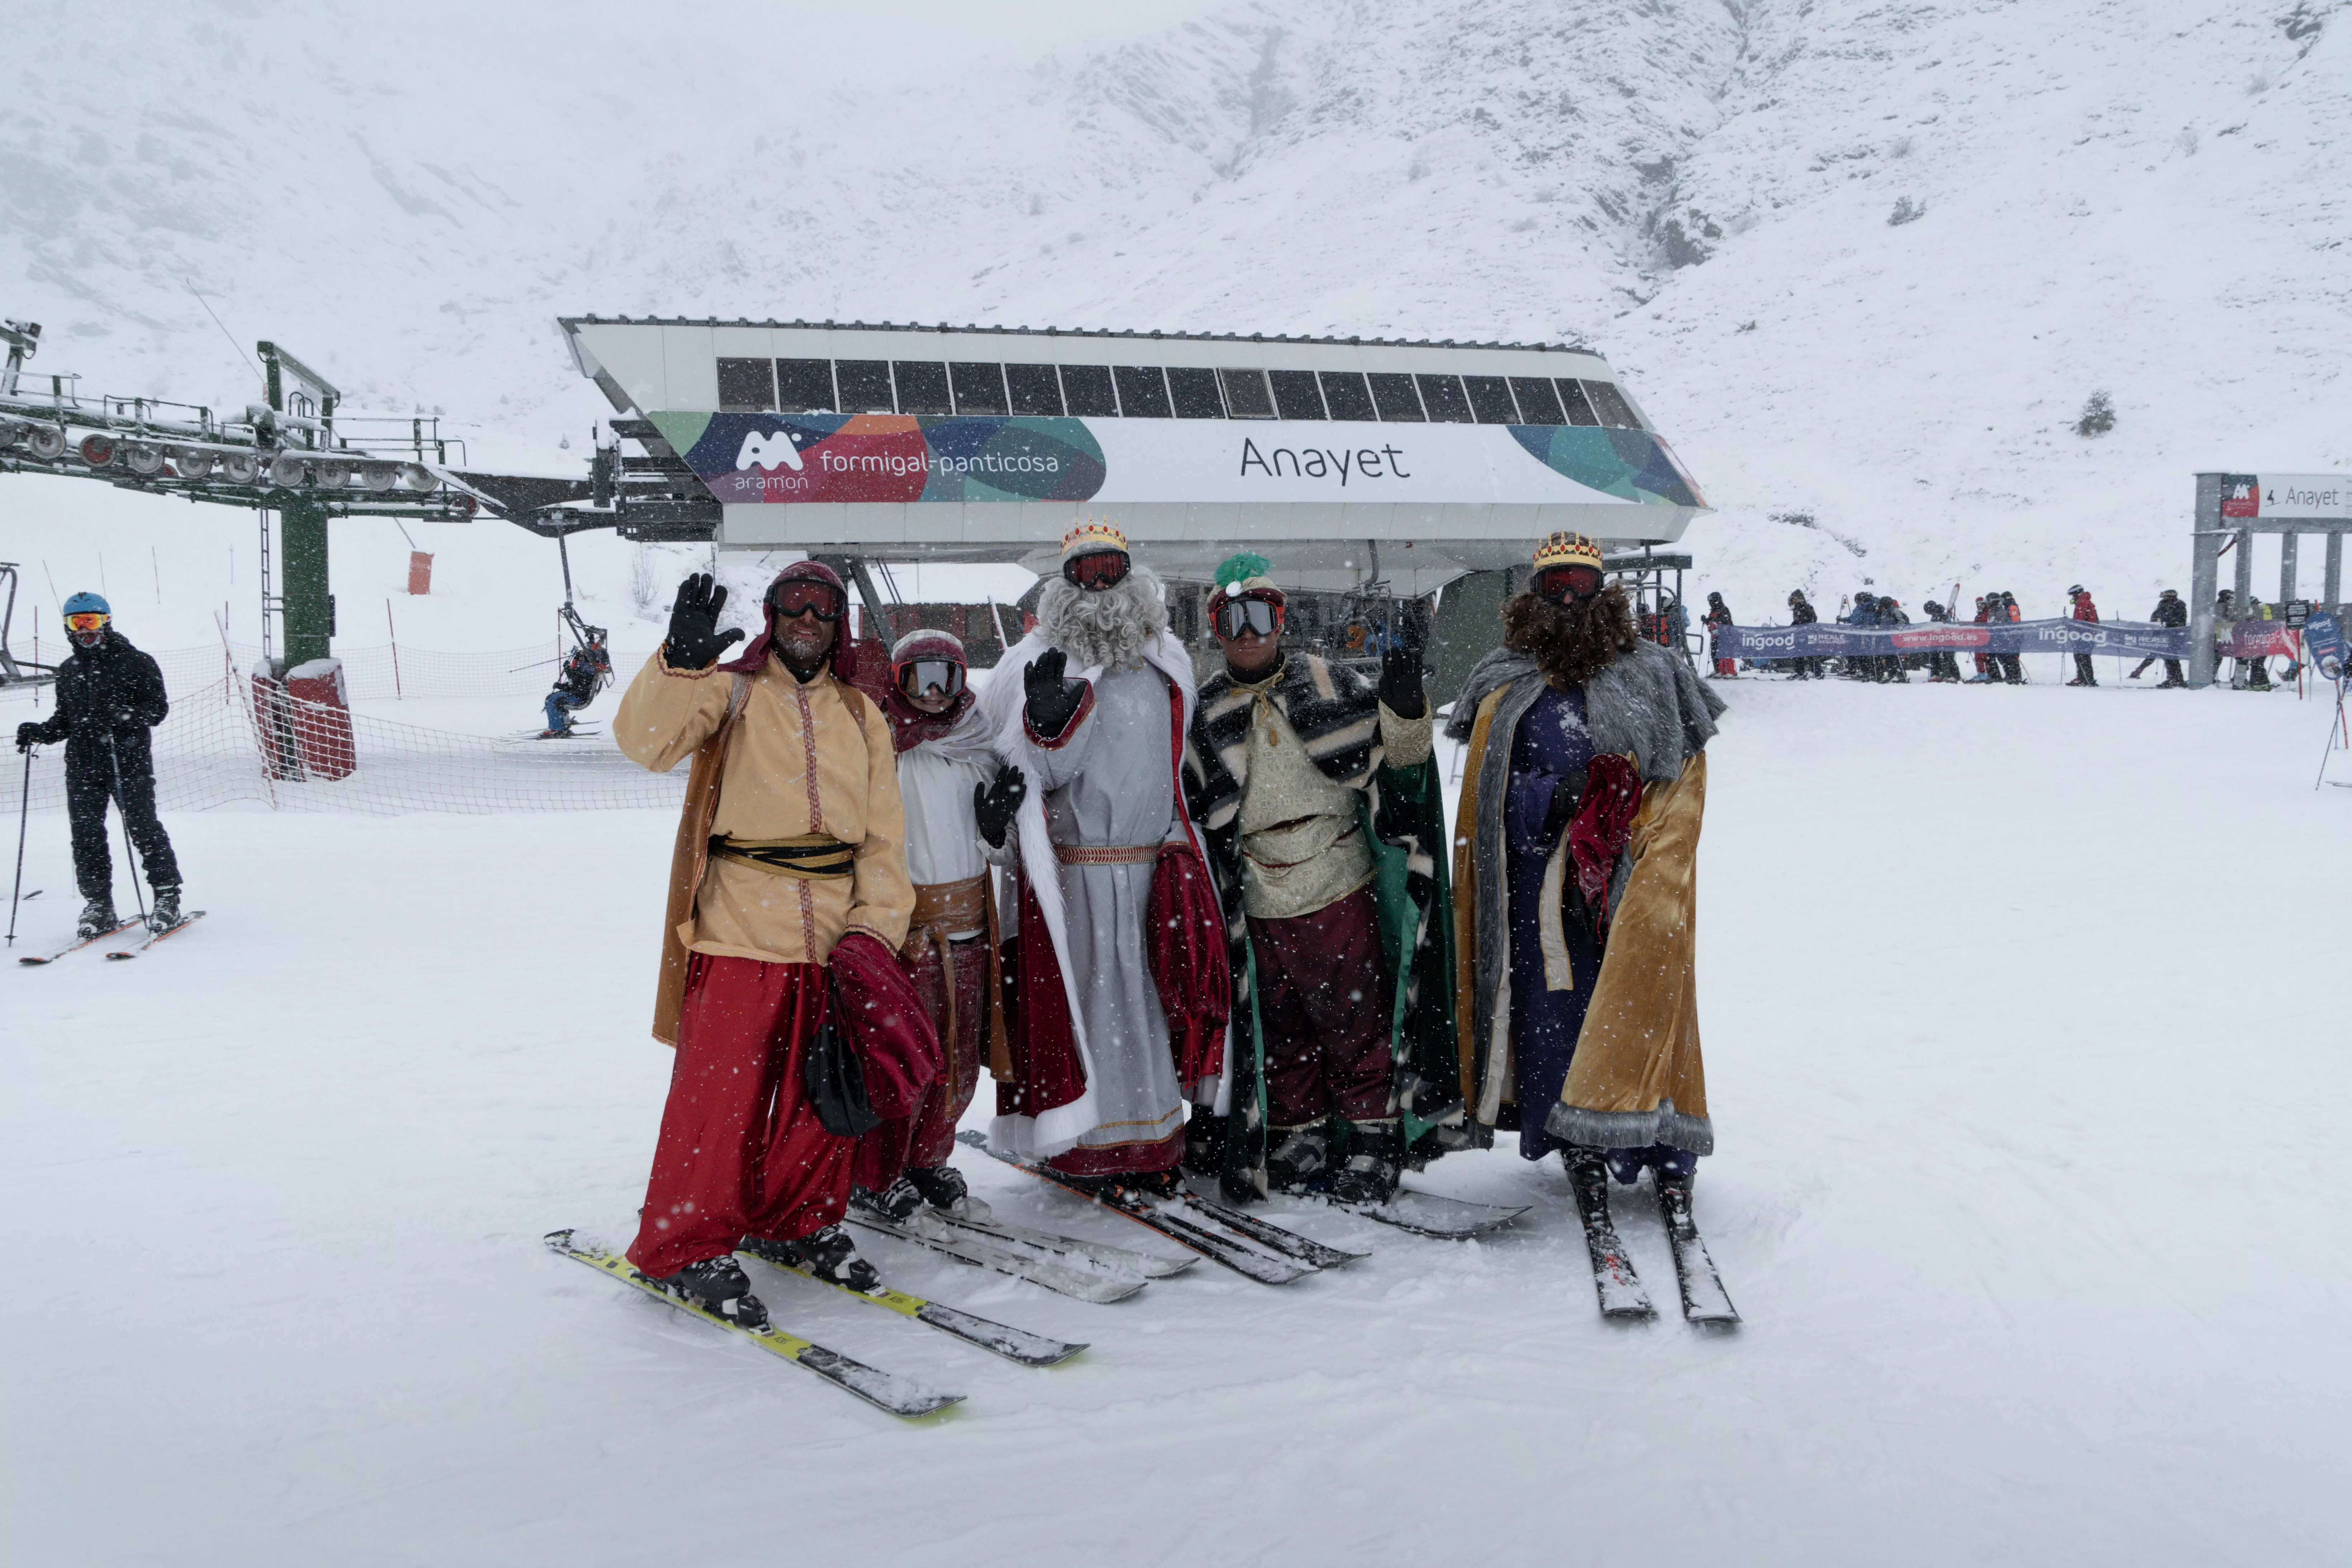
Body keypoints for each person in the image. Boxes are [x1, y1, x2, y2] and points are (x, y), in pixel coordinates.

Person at [608, 564, 930, 1328]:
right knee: (722, 1098)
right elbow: (643, 742)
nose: (807, 620)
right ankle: (686, 1241)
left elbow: (885, 838)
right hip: (738, 923)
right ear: (772, 615)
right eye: (793, 606)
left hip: (833, 929)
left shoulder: (862, 715)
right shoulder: (730, 693)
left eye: (822, 609)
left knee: (820, 1095)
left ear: (839, 622)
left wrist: (874, 929)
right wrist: (679, 664)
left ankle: (797, 1218)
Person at [1446, 535, 1727, 1233]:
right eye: (1553, 585)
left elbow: (1683, 780)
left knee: (1639, 1002)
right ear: (1531, 595)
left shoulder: (1653, 671)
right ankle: (1577, 1136)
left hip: (1632, 882)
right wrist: (1551, 796)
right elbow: (1487, 792)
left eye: (1581, 584)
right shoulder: (1503, 678)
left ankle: (1658, 1141)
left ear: (1606, 592)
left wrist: (1643, 852)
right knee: (1555, 1013)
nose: (1569, 598)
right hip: (1541, 880)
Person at [1180, 554, 1456, 1206]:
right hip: (1258, 892)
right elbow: (1194, 808)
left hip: (1337, 879)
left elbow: (1402, 770)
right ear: (1215, 628)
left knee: (1352, 1016)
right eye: (1231, 619)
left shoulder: (1328, 686)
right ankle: (1298, 1130)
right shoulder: (1207, 710)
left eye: (1261, 616)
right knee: (1279, 1022)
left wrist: (1406, 710)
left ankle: (1369, 1135)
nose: (1248, 633)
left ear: (1281, 620)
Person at [978, 520, 1228, 1186]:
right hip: (1077, 878)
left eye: (1111, 569)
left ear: (1132, 574)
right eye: (1084, 572)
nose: (1100, 586)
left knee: (1150, 1003)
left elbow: (1180, 764)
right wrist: (1051, 726)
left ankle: (1153, 1140)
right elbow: (1018, 775)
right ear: (1062, 584)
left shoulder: (1166, 657)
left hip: (1154, 871)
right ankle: (1085, 1145)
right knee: (1088, 1012)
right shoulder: (1030, 664)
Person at [851, 628, 1025, 1225]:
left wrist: (995, 825)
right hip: (904, 928)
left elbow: (997, 853)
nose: (931, 695)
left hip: (969, 923)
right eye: (917, 679)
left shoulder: (976, 746)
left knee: (956, 1053)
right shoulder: (879, 748)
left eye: (944, 679)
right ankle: (879, 1170)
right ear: (897, 682)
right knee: (904, 1060)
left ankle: (929, 1156)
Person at [14, 592, 184, 936]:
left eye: (91, 621)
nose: (84, 630)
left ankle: (167, 897)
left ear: (107, 622)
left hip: (128, 761)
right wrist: (40, 732)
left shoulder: (137, 662)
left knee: (143, 828)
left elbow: (157, 709)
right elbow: (66, 720)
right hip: (83, 765)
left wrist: (125, 715)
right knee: (86, 835)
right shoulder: (69, 670)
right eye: (76, 623)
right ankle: (99, 903)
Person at [541, 632, 613, 737]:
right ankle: (563, 722)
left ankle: (557, 729)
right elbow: (575, 684)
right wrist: (592, 640)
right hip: (579, 694)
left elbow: (575, 684)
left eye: (583, 655)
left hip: (579, 698)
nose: (581, 656)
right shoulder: (590, 668)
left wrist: (567, 671)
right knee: (551, 698)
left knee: (554, 701)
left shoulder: (587, 670)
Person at [2129, 589, 2189, 686]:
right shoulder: (2163, 604)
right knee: (2168, 658)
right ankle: (2174, 679)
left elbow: (2174, 619)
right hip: (2166, 634)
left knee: (2172, 658)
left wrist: (2163, 617)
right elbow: (2156, 617)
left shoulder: (2180, 606)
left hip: (2177, 635)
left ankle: (2176, 679)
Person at [2066, 586, 2101, 687]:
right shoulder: (2086, 601)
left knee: (2081, 657)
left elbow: (2079, 621)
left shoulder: (2082, 603)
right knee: (2085, 657)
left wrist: (2071, 629)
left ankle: (2085, 679)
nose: (2072, 597)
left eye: (2073, 594)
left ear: (2077, 593)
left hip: (2083, 635)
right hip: (2089, 635)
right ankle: (2086, 678)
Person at [1921, 601, 1963, 682]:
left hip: (1947, 640)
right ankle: (1936, 675)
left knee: (1948, 658)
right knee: (1934, 657)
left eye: (1929, 611)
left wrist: (1938, 631)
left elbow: (1947, 628)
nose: (1930, 613)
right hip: (1937, 641)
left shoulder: (1943, 615)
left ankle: (1955, 676)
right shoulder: (1934, 616)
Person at [1786, 590, 1822, 679]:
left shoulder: (1808, 607)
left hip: (1810, 635)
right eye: (1792, 600)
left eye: (1795, 599)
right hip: (1799, 635)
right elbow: (1796, 622)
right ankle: (1799, 671)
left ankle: (1818, 673)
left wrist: (1805, 624)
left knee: (1811, 653)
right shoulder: (1796, 610)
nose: (1794, 602)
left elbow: (1814, 618)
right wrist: (1790, 628)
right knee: (1798, 653)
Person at [1994, 591, 2025, 684]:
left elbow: (2015, 622)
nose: (2002, 602)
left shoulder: (2012, 607)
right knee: (2006, 657)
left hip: (2014, 636)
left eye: (2003, 600)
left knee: (2012, 657)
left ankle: (2015, 677)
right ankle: (2011, 676)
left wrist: (2010, 633)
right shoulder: (2008, 607)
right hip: (2010, 635)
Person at [1702, 592, 1736, 677]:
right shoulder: (1713, 611)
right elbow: (1711, 622)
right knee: (1716, 654)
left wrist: (1715, 621)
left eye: (1712, 602)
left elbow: (1726, 620)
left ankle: (1730, 671)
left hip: (1726, 636)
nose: (1711, 604)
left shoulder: (1724, 609)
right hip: (1715, 636)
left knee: (1726, 653)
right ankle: (1720, 670)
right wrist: (1706, 620)